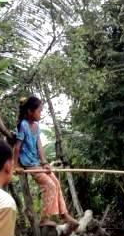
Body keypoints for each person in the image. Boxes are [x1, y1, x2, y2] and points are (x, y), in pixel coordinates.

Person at [13, 95, 78, 228]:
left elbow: (40, 146)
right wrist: (16, 165)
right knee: (49, 185)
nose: (40, 114)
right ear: (30, 111)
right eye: (39, 111)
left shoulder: (36, 126)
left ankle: (64, 214)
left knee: (56, 183)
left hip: (37, 163)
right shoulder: (23, 125)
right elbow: (17, 147)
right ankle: (45, 218)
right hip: (29, 165)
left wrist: (45, 163)